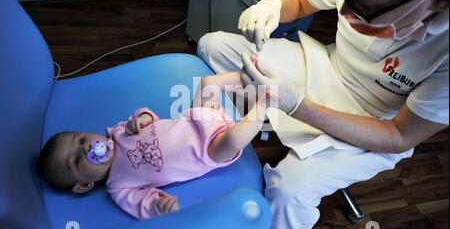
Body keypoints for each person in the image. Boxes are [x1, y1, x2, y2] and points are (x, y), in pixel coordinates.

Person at [197, 0, 449, 229]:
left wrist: (296, 106)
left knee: (291, 191)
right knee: (213, 45)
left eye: (364, 9)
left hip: (374, 123)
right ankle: (203, 145)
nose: (342, 11)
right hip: (325, 66)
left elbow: (398, 136)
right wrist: (274, 5)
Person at [37, 71, 277, 220]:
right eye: (78, 160)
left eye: (81, 140)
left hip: (195, 118)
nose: (88, 148)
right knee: (236, 140)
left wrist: (141, 119)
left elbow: (150, 117)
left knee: (208, 83)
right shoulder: (118, 187)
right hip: (209, 150)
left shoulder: (118, 131)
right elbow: (145, 205)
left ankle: (253, 76)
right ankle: (264, 104)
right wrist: (160, 206)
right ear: (84, 185)